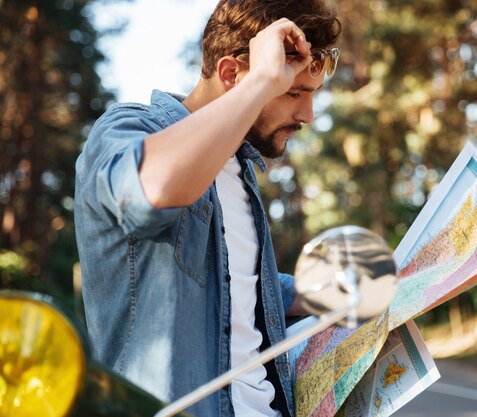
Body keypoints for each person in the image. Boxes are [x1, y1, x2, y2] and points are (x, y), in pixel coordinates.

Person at [73, 1, 341, 416]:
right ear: (233, 74)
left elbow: (241, 284)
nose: (307, 114)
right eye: (292, 93)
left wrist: (337, 292)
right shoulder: (128, 128)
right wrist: (262, 82)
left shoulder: (241, 170)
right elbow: (151, 191)